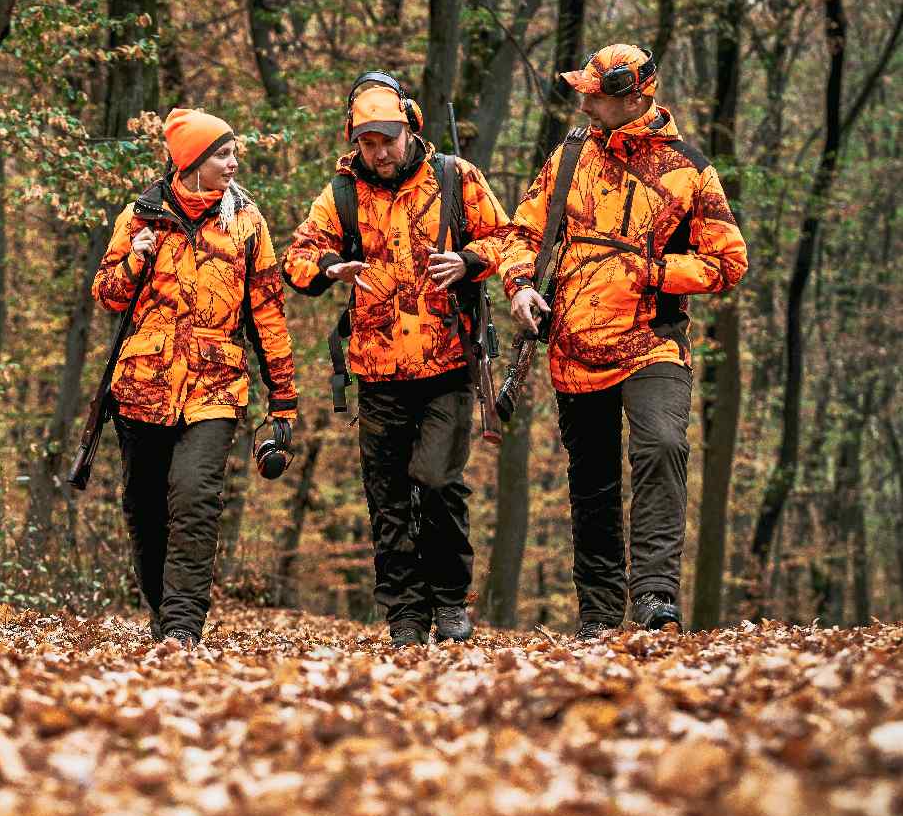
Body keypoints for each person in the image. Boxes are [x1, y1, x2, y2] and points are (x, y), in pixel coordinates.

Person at [500, 44, 748, 638]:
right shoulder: (569, 157)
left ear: (636, 98)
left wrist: (658, 273)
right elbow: (522, 232)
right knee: (592, 482)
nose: (584, 99)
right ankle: (600, 613)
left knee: (662, 447)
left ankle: (657, 597)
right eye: (583, 90)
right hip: (574, 344)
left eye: (597, 92)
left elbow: (729, 260)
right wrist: (518, 287)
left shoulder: (688, 167)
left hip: (653, 341)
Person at [281, 72, 508, 648]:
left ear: (410, 129)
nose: (379, 153)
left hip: (450, 360)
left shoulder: (456, 179)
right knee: (386, 498)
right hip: (376, 369)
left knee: (434, 484)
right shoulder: (341, 193)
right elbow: (297, 256)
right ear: (355, 140)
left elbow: (508, 238)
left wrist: (467, 261)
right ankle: (404, 612)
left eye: (388, 139)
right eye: (368, 142)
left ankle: (451, 601)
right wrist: (330, 267)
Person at [93, 107, 298, 647]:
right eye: (222, 154)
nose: (233, 163)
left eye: (232, 153)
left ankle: (183, 625)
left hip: (214, 386)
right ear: (191, 162)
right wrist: (135, 259)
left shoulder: (248, 223)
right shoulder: (140, 216)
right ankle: (164, 612)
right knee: (144, 504)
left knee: (194, 497)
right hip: (142, 385)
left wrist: (284, 401)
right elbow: (108, 296)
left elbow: (269, 313)